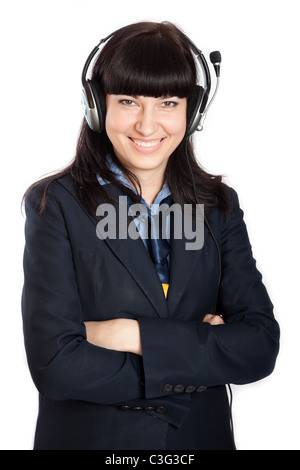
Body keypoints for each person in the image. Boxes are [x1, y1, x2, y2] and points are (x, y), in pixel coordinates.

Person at [21, 21, 280, 451]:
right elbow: (55, 364)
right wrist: (201, 355)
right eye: (127, 101)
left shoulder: (219, 207)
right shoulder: (55, 203)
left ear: (191, 111)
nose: (146, 125)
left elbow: (259, 347)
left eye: (167, 103)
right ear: (96, 106)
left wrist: (128, 335)